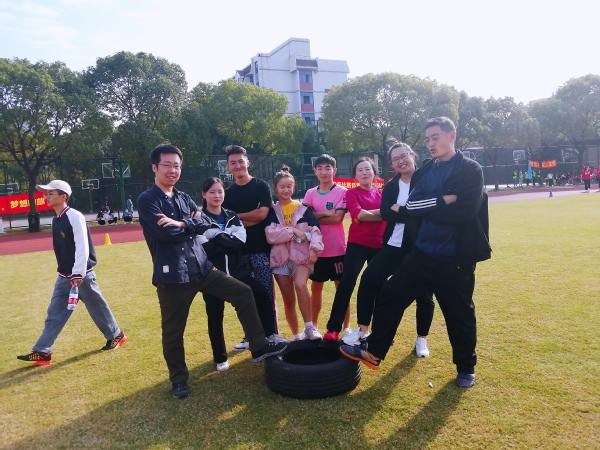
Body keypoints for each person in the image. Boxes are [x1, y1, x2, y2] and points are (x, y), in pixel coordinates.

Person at [340, 117, 492, 389]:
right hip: (422, 254)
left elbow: (465, 212)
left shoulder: (470, 169)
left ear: (452, 136)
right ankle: (374, 351)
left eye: (436, 137)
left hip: (455, 259)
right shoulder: (424, 173)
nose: (431, 143)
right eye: (427, 139)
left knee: (458, 314)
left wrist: (426, 208)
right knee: (390, 295)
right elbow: (411, 207)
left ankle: (466, 368)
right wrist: (443, 200)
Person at [137, 144, 287, 399]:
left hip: (202, 267)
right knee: (173, 330)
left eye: (176, 165)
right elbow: (166, 233)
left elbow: (204, 222)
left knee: (243, 292)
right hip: (173, 274)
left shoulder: (183, 198)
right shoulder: (147, 199)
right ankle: (179, 380)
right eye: (167, 165)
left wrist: (182, 222)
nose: (173, 170)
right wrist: (190, 225)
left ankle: (259, 346)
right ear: (155, 167)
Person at [332, 143, 435, 357]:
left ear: (412, 155)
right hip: (393, 245)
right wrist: (404, 211)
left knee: (424, 295)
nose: (400, 161)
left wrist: (401, 210)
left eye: (404, 156)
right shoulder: (391, 187)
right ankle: (363, 330)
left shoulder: (426, 180)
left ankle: (421, 339)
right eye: (395, 159)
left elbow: (428, 209)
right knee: (369, 279)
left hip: (420, 246)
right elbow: (387, 214)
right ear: (392, 163)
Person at [17, 180, 126, 366]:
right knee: (55, 313)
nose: (46, 196)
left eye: (50, 193)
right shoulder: (56, 219)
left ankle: (116, 335)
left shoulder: (75, 216)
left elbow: (82, 246)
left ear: (63, 196)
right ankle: (42, 351)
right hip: (64, 276)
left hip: (81, 276)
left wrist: (78, 273)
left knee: (97, 307)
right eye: (45, 193)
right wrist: (66, 272)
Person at [200, 177, 285, 372]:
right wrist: (225, 238)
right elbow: (204, 247)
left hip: (238, 271)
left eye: (220, 191)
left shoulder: (231, 216)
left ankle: (269, 336)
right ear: (204, 195)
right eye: (212, 192)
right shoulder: (199, 219)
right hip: (213, 275)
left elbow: (239, 241)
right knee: (215, 314)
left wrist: (216, 236)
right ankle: (220, 357)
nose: (216, 195)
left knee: (261, 293)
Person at [222, 145, 283, 351]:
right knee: (245, 295)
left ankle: (272, 333)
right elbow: (229, 223)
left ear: (248, 162)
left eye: (241, 161)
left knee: (266, 293)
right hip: (239, 252)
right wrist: (248, 218)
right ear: (228, 167)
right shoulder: (228, 194)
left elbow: (262, 214)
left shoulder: (261, 186)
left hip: (261, 249)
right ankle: (250, 335)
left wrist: (237, 217)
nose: (238, 165)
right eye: (233, 162)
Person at [322, 157, 385, 342]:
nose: (364, 173)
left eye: (367, 169)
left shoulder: (383, 193)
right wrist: (379, 214)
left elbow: (385, 214)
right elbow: (358, 214)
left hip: (380, 244)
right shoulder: (351, 193)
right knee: (347, 281)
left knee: (380, 286)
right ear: (355, 176)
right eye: (360, 170)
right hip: (357, 244)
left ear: (374, 172)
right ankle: (333, 328)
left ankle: (380, 330)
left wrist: (367, 215)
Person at [265, 166, 324, 341]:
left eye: (289, 186)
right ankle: (296, 335)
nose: (286, 190)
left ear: (294, 186)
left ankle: (310, 328)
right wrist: (294, 232)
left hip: (302, 257)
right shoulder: (271, 211)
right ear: (276, 188)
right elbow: (270, 235)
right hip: (280, 259)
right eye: (282, 186)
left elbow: (315, 231)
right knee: (288, 299)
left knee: (300, 284)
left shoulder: (304, 208)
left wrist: (312, 247)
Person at [302, 154, 348, 330]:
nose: (323, 172)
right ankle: (313, 327)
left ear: (334, 170)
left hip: (337, 249)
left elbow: (337, 218)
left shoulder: (342, 191)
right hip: (316, 250)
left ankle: (346, 327)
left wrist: (316, 216)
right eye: (320, 168)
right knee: (316, 288)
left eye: (327, 168)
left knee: (341, 289)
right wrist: (325, 214)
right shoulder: (310, 193)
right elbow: (305, 219)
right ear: (315, 171)